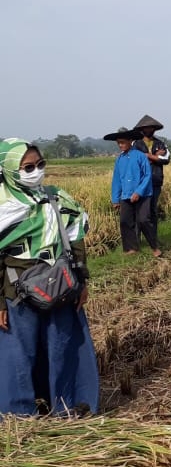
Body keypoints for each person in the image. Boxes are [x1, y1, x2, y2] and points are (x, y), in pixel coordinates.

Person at [0, 138, 99, 416]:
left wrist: (83, 282)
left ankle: (68, 406)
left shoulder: (57, 198)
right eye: (27, 167)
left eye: (40, 164)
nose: (36, 171)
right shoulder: (3, 205)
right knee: (19, 354)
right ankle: (19, 416)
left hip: (61, 286)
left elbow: (75, 239)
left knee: (62, 347)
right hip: (17, 291)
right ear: (7, 169)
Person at [106, 128, 161, 257]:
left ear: (130, 141)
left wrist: (138, 192)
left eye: (123, 142)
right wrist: (115, 199)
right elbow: (117, 180)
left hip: (143, 195)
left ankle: (154, 246)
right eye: (118, 143)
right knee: (125, 221)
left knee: (143, 220)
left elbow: (147, 176)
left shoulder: (140, 156)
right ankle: (131, 248)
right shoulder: (119, 160)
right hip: (126, 195)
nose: (120, 145)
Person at [132, 115, 170, 228]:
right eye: (146, 128)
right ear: (142, 129)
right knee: (139, 210)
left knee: (153, 209)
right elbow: (135, 162)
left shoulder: (160, 143)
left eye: (151, 127)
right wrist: (154, 157)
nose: (149, 129)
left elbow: (166, 159)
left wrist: (147, 156)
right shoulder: (135, 144)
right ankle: (137, 239)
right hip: (140, 182)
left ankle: (153, 238)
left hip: (155, 181)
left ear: (154, 129)